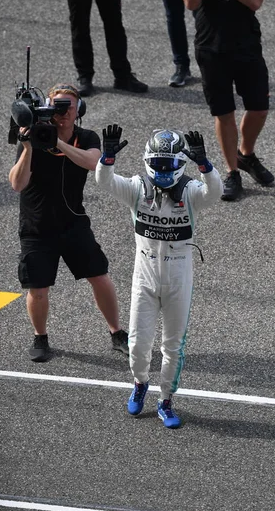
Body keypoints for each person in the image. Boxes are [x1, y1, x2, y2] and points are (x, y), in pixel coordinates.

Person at [95, 125, 222, 428]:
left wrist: (206, 166)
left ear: (182, 163)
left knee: (173, 345)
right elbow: (104, 181)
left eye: (170, 165)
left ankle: (166, 399)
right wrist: (107, 157)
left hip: (179, 276)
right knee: (138, 343)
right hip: (145, 273)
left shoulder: (191, 191)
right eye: (158, 164)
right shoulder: (137, 188)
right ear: (147, 161)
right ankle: (140, 383)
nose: (164, 170)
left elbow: (215, 191)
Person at [8, 83, 129, 362]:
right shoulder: (34, 139)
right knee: (37, 288)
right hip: (36, 227)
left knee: (99, 276)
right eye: (56, 107)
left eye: (68, 107)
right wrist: (29, 148)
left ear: (78, 110)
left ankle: (117, 332)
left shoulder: (86, 137)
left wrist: (56, 142)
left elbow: (92, 162)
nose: (62, 113)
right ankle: (40, 338)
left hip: (73, 223)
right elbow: (17, 184)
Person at [183, 0, 274, 201]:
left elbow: (254, 1)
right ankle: (232, 171)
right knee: (224, 112)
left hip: (246, 44)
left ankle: (246, 153)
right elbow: (190, 2)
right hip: (210, 47)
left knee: (259, 108)